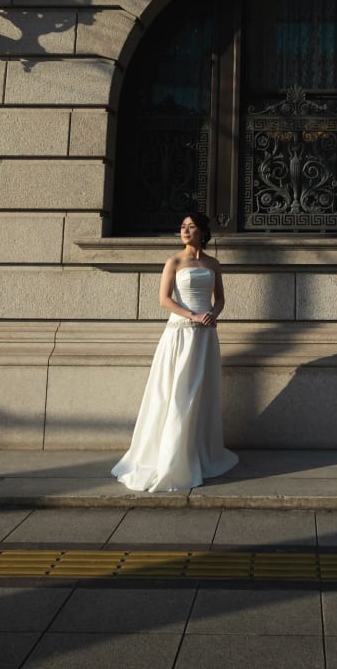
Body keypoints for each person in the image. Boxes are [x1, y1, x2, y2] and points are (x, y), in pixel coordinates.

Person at [111, 211, 238, 492]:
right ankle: (170, 457)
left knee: (201, 394)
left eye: (191, 227)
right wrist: (192, 316)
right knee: (177, 393)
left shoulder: (213, 264)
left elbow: (221, 299)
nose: (185, 230)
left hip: (206, 336)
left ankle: (199, 451)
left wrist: (212, 316)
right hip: (180, 333)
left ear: (202, 232)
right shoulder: (174, 261)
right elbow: (164, 299)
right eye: (183, 226)